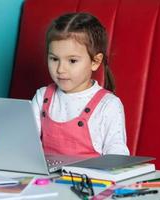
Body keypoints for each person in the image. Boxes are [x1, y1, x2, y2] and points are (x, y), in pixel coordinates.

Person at [32, 12, 129, 158]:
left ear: (95, 62)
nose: (60, 69)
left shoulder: (108, 105)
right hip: (47, 180)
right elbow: (29, 145)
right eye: (54, 59)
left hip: (90, 180)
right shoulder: (42, 96)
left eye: (72, 61)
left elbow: (117, 155)